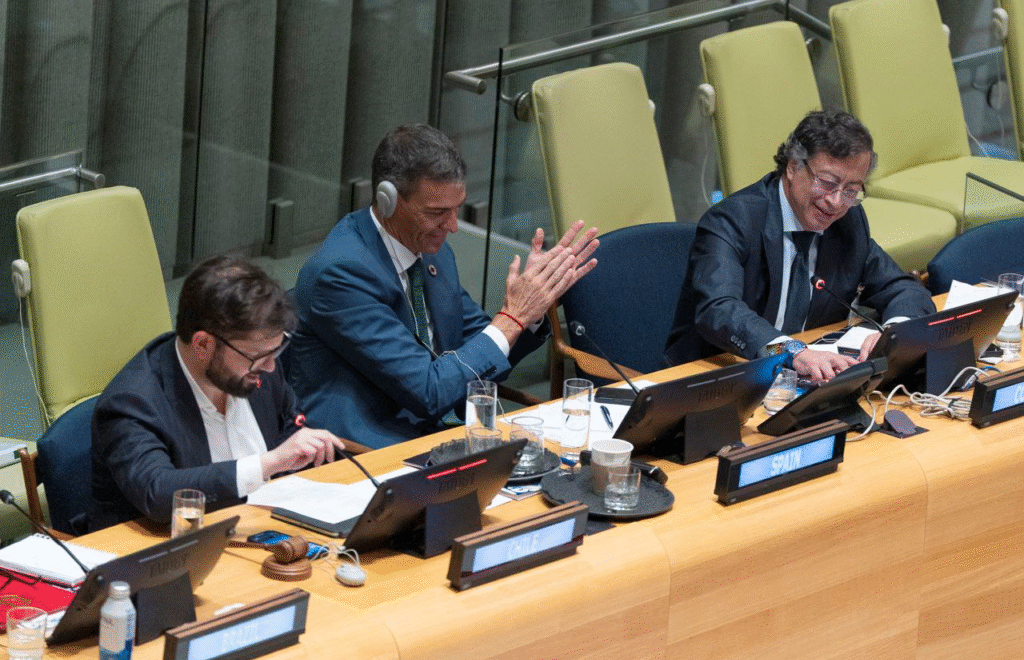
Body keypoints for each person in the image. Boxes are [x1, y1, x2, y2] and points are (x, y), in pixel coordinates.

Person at [289, 124, 598, 448]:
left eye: (456, 209)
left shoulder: (432, 254)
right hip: (371, 449)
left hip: (444, 434)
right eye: (437, 212)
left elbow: (483, 349)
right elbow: (428, 391)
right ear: (388, 200)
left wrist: (533, 309)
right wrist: (513, 317)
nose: (452, 226)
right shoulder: (341, 274)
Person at [664, 109, 935, 381]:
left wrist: (892, 334)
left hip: (808, 381)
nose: (836, 202)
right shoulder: (734, 221)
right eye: (827, 183)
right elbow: (719, 310)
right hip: (719, 379)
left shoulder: (848, 223)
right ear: (793, 167)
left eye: (852, 190)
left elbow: (904, 289)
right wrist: (792, 352)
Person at [90, 255, 346, 531]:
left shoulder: (255, 366)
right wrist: (267, 464)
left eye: (276, 351)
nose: (271, 367)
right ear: (203, 344)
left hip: (264, 533)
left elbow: (288, 428)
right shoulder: (133, 402)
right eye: (258, 357)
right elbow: (158, 492)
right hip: (169, 547)